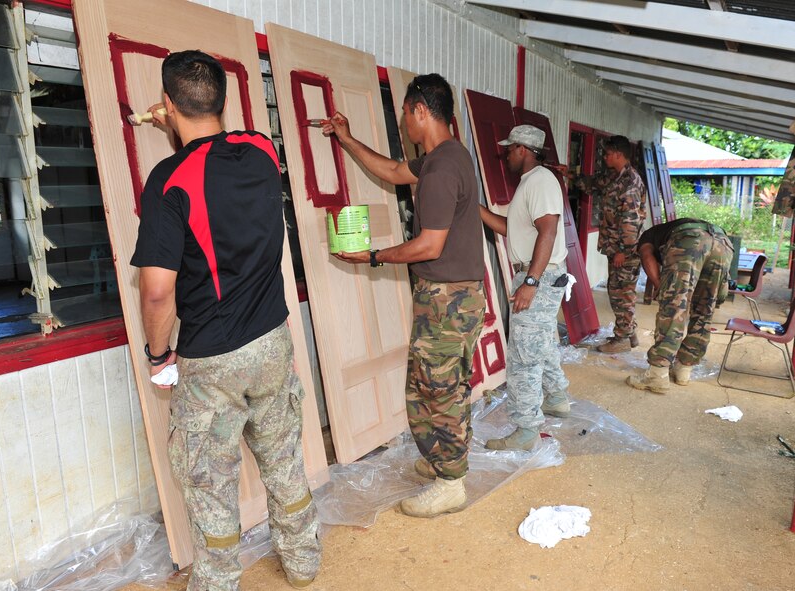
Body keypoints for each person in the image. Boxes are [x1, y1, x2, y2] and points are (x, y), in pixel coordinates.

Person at [130, 51, 320, 590]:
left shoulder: (167, 182)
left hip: (213, 359)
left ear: (167, 105)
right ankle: (304, 563)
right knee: (283, 459)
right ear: (224, 101)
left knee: (209, 482)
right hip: (273, 340)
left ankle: (217, 583)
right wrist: (180, 126)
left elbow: (158, 290)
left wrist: (160, 356)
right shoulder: (262, 149)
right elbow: (216, 161)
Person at [323, 73, 485, 518]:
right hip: (447, 297)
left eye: (404, 114)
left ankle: (451, 482)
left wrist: (372, 255)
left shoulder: (442, 168)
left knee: (441, 391)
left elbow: (429, 245)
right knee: (427, 387)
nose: (402, 124)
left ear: (419, 111)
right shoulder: (443, 157)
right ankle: (441, 459)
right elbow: (392, 170)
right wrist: (347, 138)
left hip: (449, 300)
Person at [478, 125, 571, 451]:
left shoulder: (542, 181)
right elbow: (512, 230)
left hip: (539, 279)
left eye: (509, 149)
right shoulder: (531, 183)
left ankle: (527, 430)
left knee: (523, 356)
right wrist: (476, 210)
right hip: (541, 277)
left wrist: (531, 281)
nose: (505, 155)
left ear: (522, 149)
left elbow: (548, 231)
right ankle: (557, 397)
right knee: (540, 342)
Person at [627, 218, 733, 393]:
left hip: (689, 242)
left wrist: (660, 286)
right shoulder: (668, 229)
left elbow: (646, 256)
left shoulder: (647, 236)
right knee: (705, 308)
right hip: (723, 244)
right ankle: (684, 368)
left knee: (674, 308)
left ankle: (658, 374)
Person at [569, 135, 647, 353]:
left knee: (621, 293)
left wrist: (623, 251)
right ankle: (629, 333)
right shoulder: (616, 177)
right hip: (617, 248)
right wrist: (569, 174)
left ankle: (622, 339)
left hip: (625, 250)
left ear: (618, 154)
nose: (604, 157)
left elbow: (631, 221)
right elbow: (594, 185)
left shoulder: (630, 183)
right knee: (622, 291)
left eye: (608, 153)